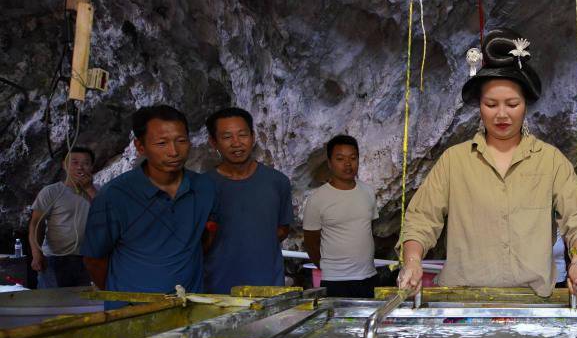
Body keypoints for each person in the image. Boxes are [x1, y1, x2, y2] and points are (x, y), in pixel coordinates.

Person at [396, 28, 577, 296]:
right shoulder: (454, 161)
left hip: (532, 302)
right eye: (491, 104)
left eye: (512, 104)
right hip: (465, 302)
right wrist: (412, 261)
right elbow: (421, 218)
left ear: (525, 104)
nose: (502, 114)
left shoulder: (550, 161)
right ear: (480, 106)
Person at [82, 105, 217, 294]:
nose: (174, 151)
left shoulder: (204, 187)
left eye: (181, 140)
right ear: (140, 146)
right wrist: (122, 297)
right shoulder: (115, 196)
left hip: (189, 308)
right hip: (132, 312)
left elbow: (205, 239)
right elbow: (94, 259)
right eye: (162, 143)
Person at [204, 107, 293, 294]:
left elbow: (282, 229)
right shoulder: (203, 186)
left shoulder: (277, 182)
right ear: (214, 142)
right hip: (217, 290)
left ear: (253, 137)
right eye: (227, 137)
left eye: (242, 134)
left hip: (268, 290)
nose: (237, 143)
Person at [303, 135, 378, 298]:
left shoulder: (368, 192)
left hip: (368, 276)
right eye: (340, 159)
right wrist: (329, 268)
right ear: (329, 163)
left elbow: (368, 230)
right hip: (335, 280)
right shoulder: (317, 199)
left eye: (353, 158)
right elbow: (310, 242)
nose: (348, 164)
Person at [28, 146, 96, 288]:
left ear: (91, 166)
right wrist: (36, 253)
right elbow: (36, 224)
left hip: (88, 259)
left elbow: (106, 216)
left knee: (84, 304)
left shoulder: (99, 191)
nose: (80, 167)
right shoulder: (51, 192)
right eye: (74, 162)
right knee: (52, 303)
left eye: (86, 163)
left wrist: (89, 189)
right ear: (64, 165)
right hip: (55, 258)